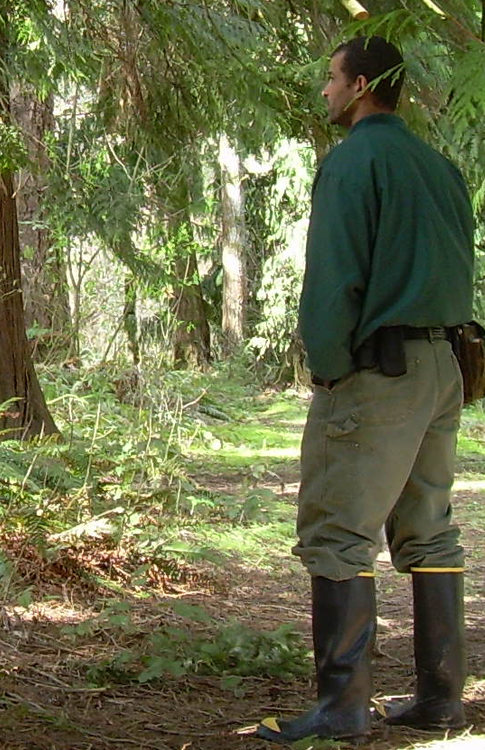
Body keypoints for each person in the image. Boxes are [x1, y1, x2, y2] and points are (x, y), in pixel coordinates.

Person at [256, 36, 474, 744]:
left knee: (336, 530)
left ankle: (342, 705)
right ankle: (440, 699)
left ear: (358, 86)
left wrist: (328, 367)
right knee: (429, 526)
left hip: (377, 376)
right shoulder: (438, 167)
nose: (323, 90)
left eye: (329, 77)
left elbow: (334, 276)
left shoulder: (353, 160)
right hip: (443, 367)